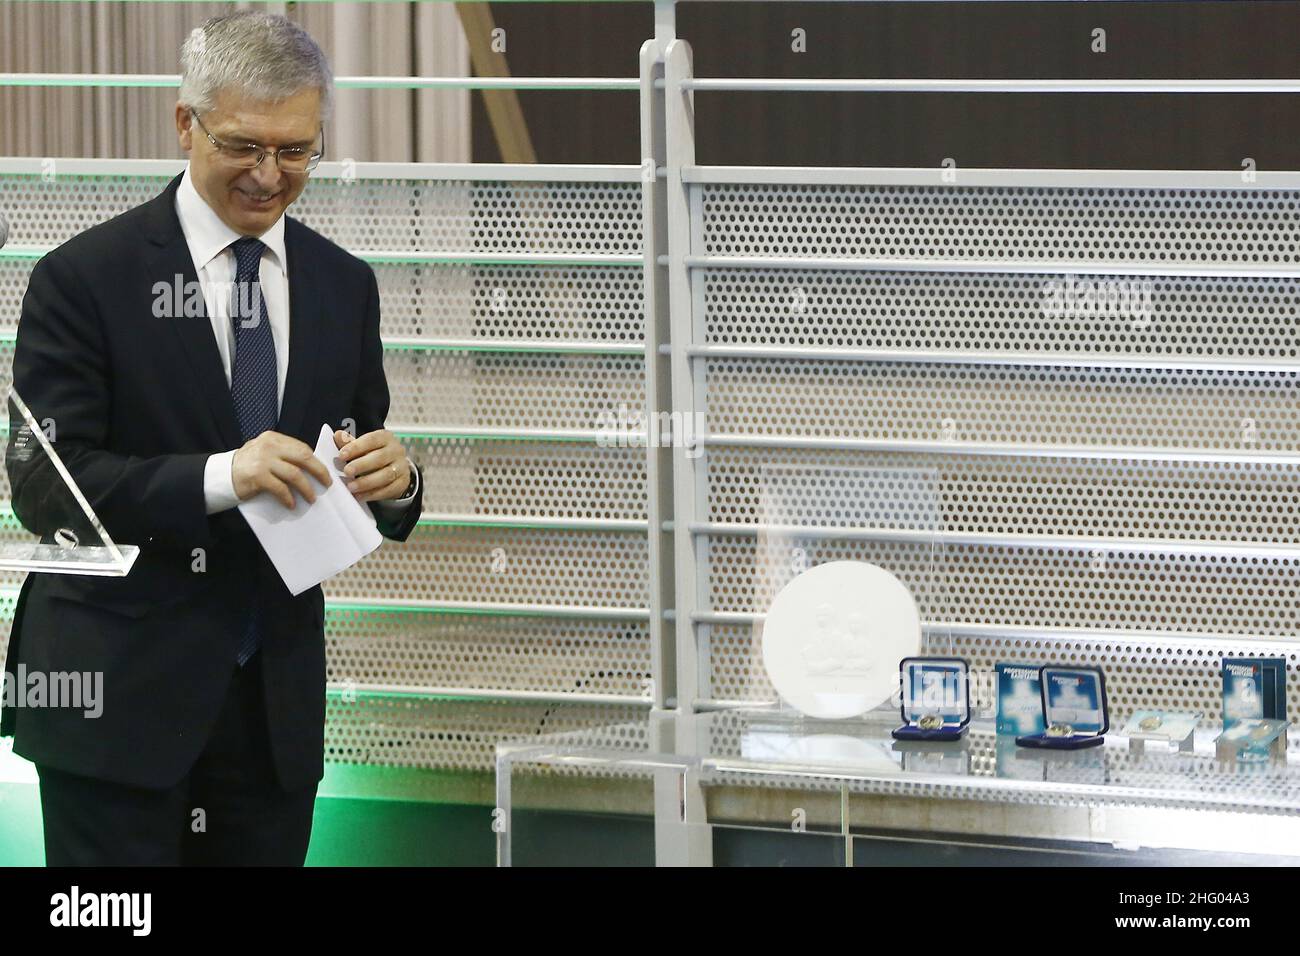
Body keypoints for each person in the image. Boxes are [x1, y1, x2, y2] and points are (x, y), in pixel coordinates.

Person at [0, 11, 423, 865]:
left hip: (272, 719)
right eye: (246, 146)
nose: (271, 176)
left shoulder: (345, 285)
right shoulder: (83, 280)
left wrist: (398, 480)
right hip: (114, 706)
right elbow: (47, 490)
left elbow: (357, 447)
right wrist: (226, 475)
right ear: (184, 122)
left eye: (297, 150)